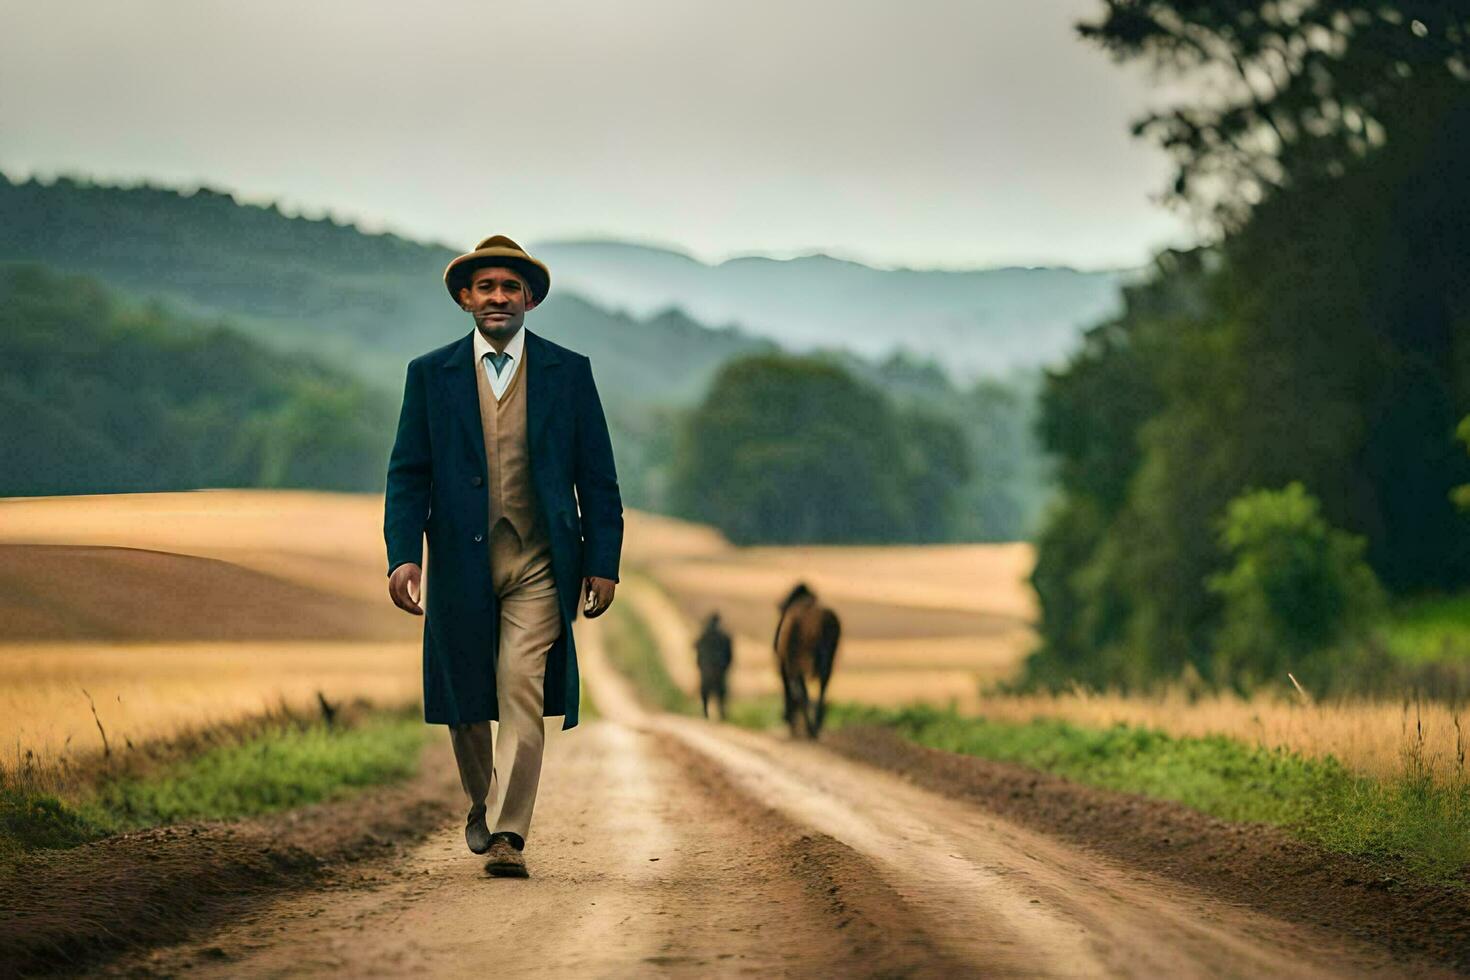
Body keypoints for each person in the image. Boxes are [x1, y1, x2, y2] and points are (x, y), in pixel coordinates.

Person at [383, 235, 623, 878]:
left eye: (509, 288)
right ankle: (481, 803)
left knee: (520, 685)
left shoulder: (569, 372)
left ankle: (510, 833)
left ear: (529, 300)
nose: (497, 297)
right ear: (465, 299)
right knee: (465, 700)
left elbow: (597, 477)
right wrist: (402, 555)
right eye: (485, 287)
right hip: (460, 565)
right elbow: (407, 474)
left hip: (539, 561)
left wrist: (604, 560)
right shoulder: (428, 374)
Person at [694, 611, 733, 721]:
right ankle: (721, 714)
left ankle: (706, 712)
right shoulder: (724, 636)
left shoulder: (705, 635)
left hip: (708, 668)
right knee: (720, 693)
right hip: (719, 668)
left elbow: (696, 647)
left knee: (706, 691)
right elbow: (730, 654)